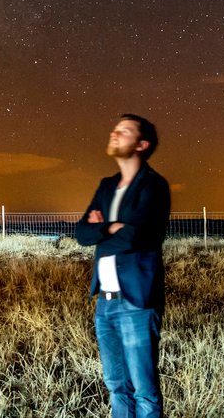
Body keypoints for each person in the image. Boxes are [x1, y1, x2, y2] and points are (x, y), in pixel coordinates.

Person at [75, 114, 171, 418]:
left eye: (124, 131)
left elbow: (138, 236)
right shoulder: (107, 186)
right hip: (105, 301)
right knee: (116, 385)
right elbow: (81, 235)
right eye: (115, 128)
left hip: (137, 300)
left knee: (143, 390)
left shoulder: (153, 186)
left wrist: (105, 230)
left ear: (142, 144)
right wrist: (112, 228)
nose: (114, 134)